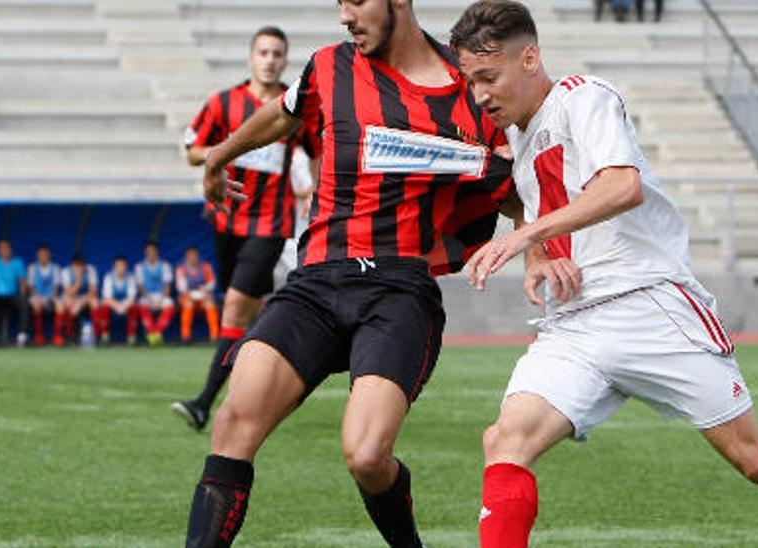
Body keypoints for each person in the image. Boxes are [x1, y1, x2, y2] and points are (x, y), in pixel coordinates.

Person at [449, 2, 758, 547]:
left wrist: (526, 237)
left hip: (648, 305)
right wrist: (537, 251)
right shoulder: (517, 134)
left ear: (529, 57)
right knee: (507, 440)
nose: (480, 94)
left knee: (756, 460)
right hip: (575, 324)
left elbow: (623, 186)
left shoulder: (584, 97)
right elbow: (530, 201)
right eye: (471, 81)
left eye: (489, 77)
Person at [179, 0, 513, 545]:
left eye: (356, 1)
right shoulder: (329, 66)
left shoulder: (467, 87)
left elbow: (506, 183)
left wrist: (542, 245)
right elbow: (284, 113)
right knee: (233, 421)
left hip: (398, 288)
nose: (344, 15)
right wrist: (221, 153)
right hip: (315, 283)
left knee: (365, 454)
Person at [172, 25, 319, 430]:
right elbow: (191, 152)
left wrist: (319, 192)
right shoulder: (224, 103)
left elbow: (318, 151)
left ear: (284, 60)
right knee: (245, 312)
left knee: (235, 306)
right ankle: (265, 374)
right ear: (251, 58)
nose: (270, 60)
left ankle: (204, 403)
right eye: (264, 52)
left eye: (277, 53)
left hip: (271, 223)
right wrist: (220, 155)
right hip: (224, 218)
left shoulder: (298, 105)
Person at [0, 238, 28, 346]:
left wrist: (22, 295)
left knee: (24, 304)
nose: (4, 251)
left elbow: (22, 282)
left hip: (12, 295)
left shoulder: (17, 262)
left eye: (6, 248)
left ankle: (22, 335)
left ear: (10, 249)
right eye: (2, 248)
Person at [135, 241, 176, 347]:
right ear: (145, 252)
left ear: (157, 252)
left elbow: (167, 286)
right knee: (141, 304)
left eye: (153, 251)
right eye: (149, 251)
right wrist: (150, 300)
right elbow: (140, 287)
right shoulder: (139, 266)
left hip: (161, 295)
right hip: (147, 296)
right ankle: (152, 332)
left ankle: (157, 332)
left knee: (170, 304)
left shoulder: (165, 265)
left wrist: (161, 300)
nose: (151, 253)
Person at [175, 246, 219, 344]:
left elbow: (212, 283)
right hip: (187, 296)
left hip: (203, 296)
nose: (192, 257)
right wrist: (191, 292)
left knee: (210, 304)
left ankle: (214, 336)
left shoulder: (205, 266)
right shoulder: (181, 268)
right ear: (186, 257)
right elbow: (181, 287)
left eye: (194, 255)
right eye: (190, 255)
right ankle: (185, 337)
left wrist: (205, 288)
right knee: (188, 304)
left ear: (198, 256)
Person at [27, 244, 64, 346]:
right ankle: (39, 335)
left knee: (60, 304)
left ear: (49, 255)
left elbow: (56, 287)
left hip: (51, 296)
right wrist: (39, 297)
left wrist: (48, 298)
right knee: (36, 304)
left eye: (45, 254)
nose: (43, 256)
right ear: (37, 256)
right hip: (37, 296)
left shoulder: (55, 268)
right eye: (41, 254)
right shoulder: (32, 268)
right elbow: (30, 288)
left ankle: (57, 335)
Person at [97, 256, 138, 345]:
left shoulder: (131, 277)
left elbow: (132, 297)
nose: (121, 268)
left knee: (134, 306)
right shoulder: (108, 277)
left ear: (126, 267)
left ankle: (131, 336)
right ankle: (105, 336)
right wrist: (118, 307)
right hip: (113, 304)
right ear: (114, 267)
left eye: (123, 266)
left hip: (125, 304)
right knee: (104, 306)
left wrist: (123, 306)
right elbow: (107, 297)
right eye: (118, 266)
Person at [60, 254, 100, 343]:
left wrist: (81, 302)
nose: (79, 269)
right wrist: (78, 281)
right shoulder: (65, 272)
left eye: (81, 266)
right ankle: (70, 335)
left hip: (85, 297)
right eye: (76, 266)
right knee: (68, 303)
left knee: (95, 302)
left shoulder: (90, 270)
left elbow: (93, 291)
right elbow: (69, 293)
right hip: (71, 297)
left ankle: (97, 335)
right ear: (72, 265)